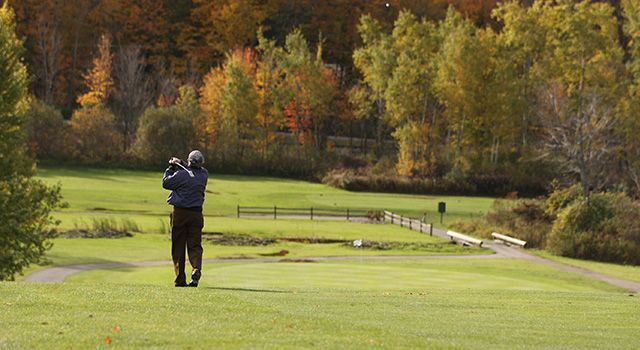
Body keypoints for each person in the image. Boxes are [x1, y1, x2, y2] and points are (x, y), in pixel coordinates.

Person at [162, 150, 208, 287]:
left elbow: (166, 183)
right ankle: (196, 269)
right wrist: (181, 163)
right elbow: (191, 171)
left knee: (178, 246)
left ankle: (180, 278)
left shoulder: (180, 174)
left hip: (180, 214)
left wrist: (171, 167)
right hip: (197, 214)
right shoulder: (204, 174)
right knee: (195, 245)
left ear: (189, 161)